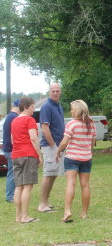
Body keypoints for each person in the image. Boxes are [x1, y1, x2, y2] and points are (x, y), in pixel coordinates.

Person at [56, 100, 96, 223]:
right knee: (85, 185)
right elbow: (92, 143)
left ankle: (67, 211)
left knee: (70, 184)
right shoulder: (91, 124)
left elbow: (64, 142)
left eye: (72, 109)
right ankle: (84, 213)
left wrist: (58, 152)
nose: (71, 111)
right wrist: (87, 152)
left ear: (78, 110)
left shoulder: (71, 124)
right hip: (86, 158)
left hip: (72, 158)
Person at [11, 96, 43, 223]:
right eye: (32, 107)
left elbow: (13, 140)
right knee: (27, 187)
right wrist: (39, 155)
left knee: (18, 187)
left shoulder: (14, 121)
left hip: (16, 155)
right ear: (25, 107)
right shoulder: (29, 120)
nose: (33, 110)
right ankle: (25, 216)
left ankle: (18, 216)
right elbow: (34, 138)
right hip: (28, 154)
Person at [37, 83, 65, 212]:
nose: (55, 93)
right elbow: (45, 128)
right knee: (48, 174)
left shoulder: (58, 105)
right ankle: (42, 205)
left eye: (57, 91)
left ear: (60, 92)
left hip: (58, 146)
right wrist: (54, 147)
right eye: (53, 91)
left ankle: (46, 202)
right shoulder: (47, 107)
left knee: (53, 174)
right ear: (49, 92)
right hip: (50, 147)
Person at [3, 100, 20, 203]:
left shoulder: (9, 116)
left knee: (12, 172)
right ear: (18, 107)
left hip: (7, 148)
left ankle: (12, 194)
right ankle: (10, 196)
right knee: (12, 173)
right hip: (11, 149)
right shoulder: (14, 117)